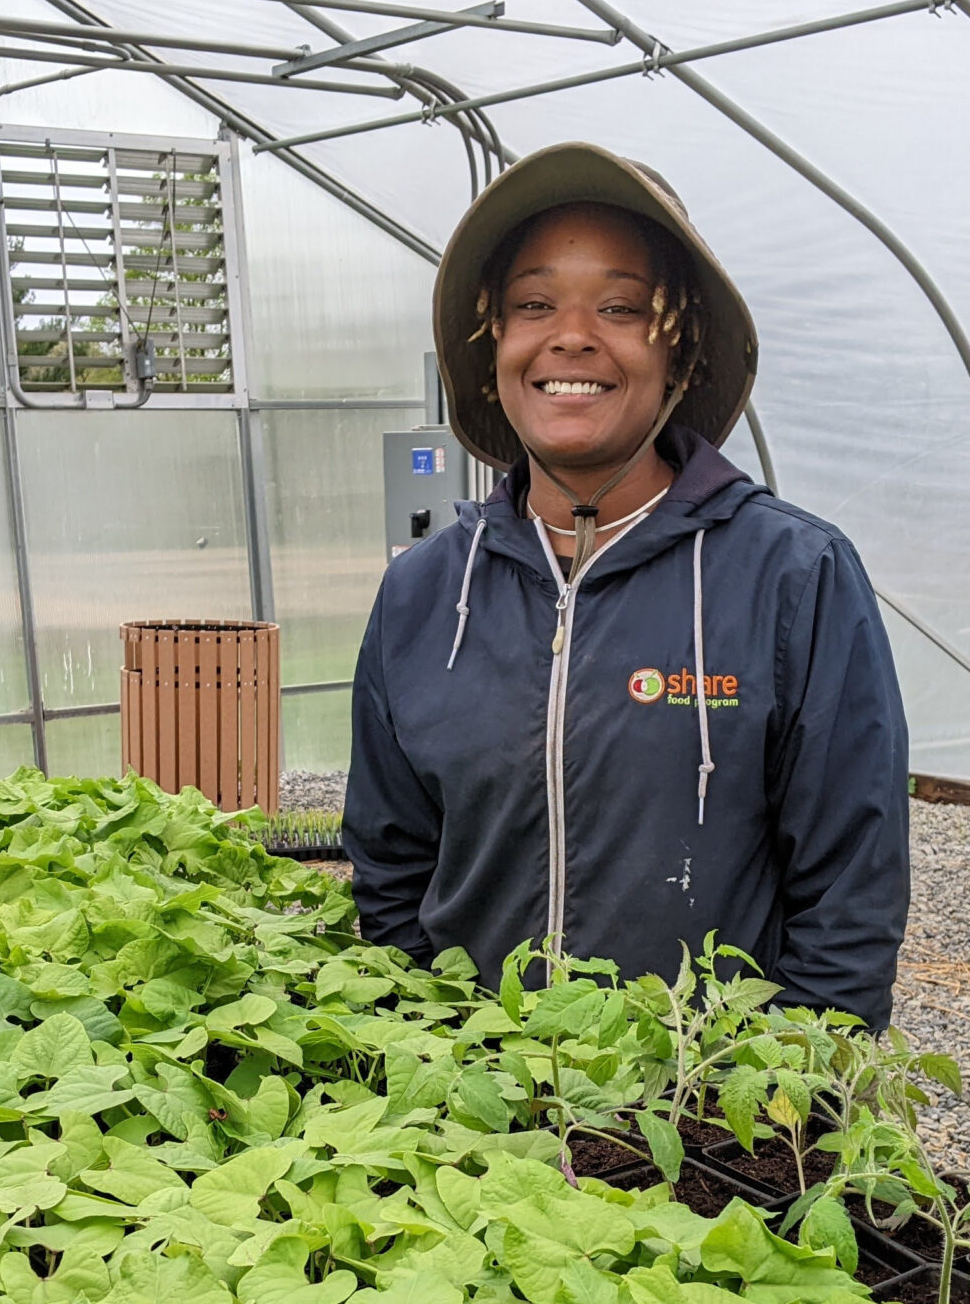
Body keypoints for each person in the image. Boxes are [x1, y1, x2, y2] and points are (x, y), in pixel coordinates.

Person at [342, 142, 910, 1025]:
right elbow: (391, 870)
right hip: (477, 1121)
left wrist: (787, 1107)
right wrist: (440, 1069)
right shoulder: (423, 595)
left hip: (708, 1113)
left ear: (679, 354)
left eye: (621, 307)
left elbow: (850, 888)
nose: (571, 335)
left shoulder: (793, 578)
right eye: (534, 304)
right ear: (494, 342)